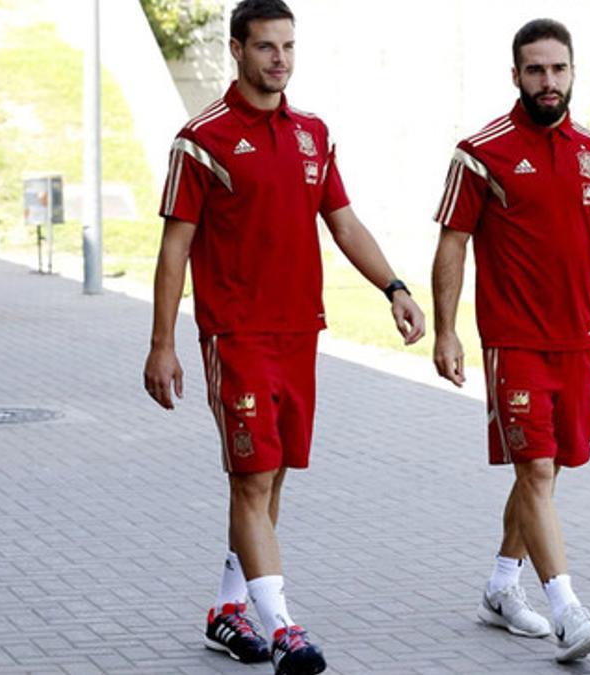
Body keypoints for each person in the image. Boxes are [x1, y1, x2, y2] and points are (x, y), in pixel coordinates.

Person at [143, 1, 425, 673]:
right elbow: (172, 250)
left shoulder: (314, 134)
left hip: (301, 332)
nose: (280, 59)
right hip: (235, 334)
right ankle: (284, 627)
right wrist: (162, 342)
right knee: (251, 476)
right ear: (236, 50)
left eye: (288, 46)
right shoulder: (201, 139)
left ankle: (226, 609)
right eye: (266, 46)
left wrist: (395, 288)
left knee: (272, 481)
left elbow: (346, 223)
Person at [430, 18, 590, 664]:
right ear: (516, 75)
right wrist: (448, 330)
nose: (549, 81)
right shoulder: (479, 151)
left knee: (550, 466)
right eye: (536, 70)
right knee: (536, 467)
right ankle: (568, 609)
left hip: (580, 340)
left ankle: (500, 585)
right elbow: (452, 245)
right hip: (512, 341)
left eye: (558, 69)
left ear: (573, 72)